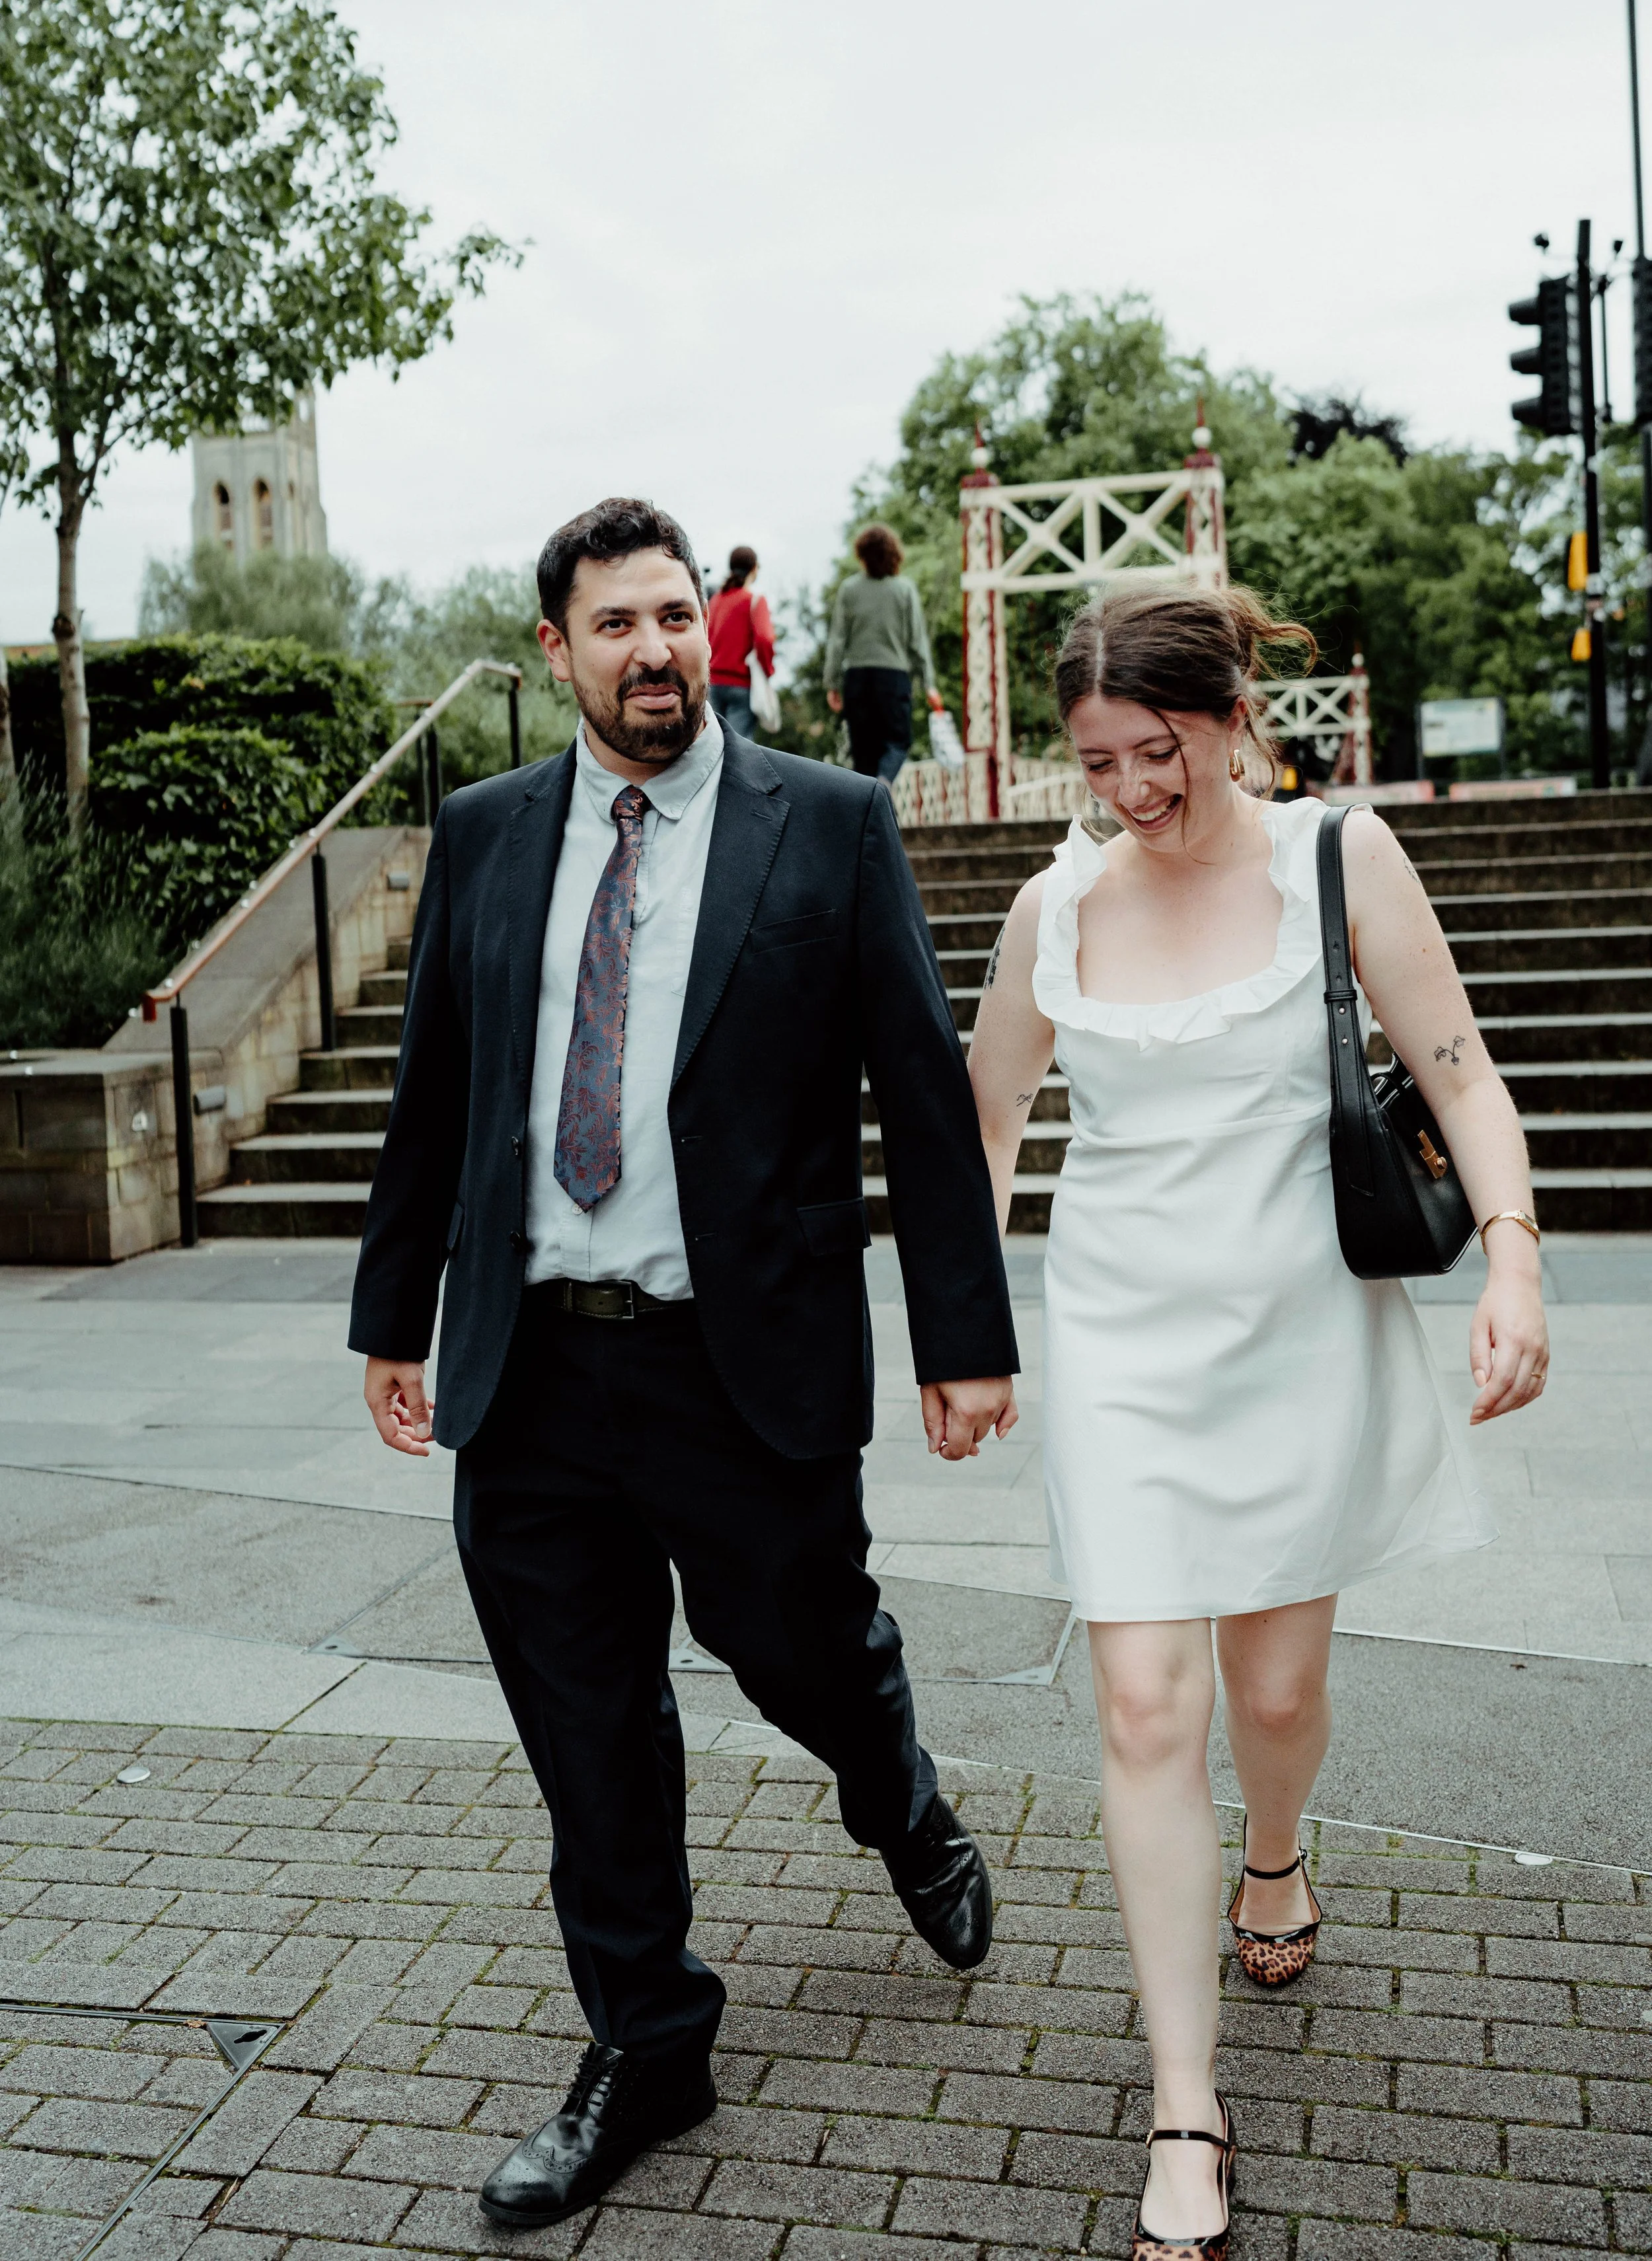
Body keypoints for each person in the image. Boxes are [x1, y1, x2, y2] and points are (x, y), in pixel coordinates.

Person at [348, 497, 1019, 2231]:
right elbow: (440, 1081)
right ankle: (647, 2038)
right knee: (590, 1733)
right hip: (538, 1372)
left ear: (708, 638)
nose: (655, 650)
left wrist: (961, 1334)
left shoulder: (830, 822)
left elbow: (919, 1091)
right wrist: (389, 1310)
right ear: (557, 652)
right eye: (616, 625)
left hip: (745, 1366)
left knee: (798, 1647)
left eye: (675, 618)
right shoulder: (488, 833)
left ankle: (895, 1785)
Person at [966, 584, 1548, 2260]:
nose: (1135, 788)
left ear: (1229, 715)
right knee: (1146, 1705)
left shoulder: (1337, 860)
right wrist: (965, 1324)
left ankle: (1276, 1854)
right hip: (1124, 1341)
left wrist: (1510, 1258)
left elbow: (1461, 1068)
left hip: (1303, 1322)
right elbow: (984, 1116)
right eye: (1098, 761)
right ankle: (1184, 2104)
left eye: (1162, 749)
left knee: (1272, 1686)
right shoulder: (1051, 906)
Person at [824, 522, 944, 785]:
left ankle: (870, 809)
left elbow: (837, 641)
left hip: (857, 680)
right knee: (898, 741)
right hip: (893, 679)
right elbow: (917, 643)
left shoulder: (849, 589)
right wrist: (929, 684)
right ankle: (886, 782)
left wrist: (832, 683)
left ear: (862, 554)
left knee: (863, 753)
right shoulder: (904, 590)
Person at [705, 544, 774, 739]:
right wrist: (768, 670)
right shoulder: (754, 600)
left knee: (715, 744)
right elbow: (765, 639)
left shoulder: (716, 600)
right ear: (754, 569)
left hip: (713, 684)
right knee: (739, 748)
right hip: (741, 685)